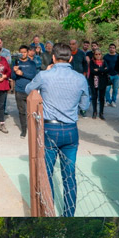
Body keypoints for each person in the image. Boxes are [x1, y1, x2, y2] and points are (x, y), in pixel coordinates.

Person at [25, 43, 91, 217]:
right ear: (70, 58)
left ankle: (49, 212)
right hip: (71, 129)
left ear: (53, 58)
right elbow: (85, 105)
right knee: (69, 176)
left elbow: (28, 89)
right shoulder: (80, 78)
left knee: (47, 174)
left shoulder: (45, 75)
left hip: (49, 128)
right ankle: (69, 214)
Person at [13, 46, 40, 138]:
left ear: (28, 52)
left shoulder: (32, 63)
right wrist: (14, 71)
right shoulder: (16, 62)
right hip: (19, 90)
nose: (23, 54)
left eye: (24, 52)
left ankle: (34, 129)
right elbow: (12, 77)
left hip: (30, 91)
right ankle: (24, 130)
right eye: (21, 52)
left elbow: (33, 76)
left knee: (33, 111)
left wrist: (22, 73)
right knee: (22, 111)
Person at [89, 48, 111, 119]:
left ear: (101, 54)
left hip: (102, 81)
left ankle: (101, 112)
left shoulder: (104, 61)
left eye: (99, 54)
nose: (98, 55)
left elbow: (107, 69)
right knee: (94, 97)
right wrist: (102, 70)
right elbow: (92, 71)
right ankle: (94, 112)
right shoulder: (92, 62)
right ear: (94, 55)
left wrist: (98, 70)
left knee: (102, 98)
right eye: (96, 54)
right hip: (94, 81)